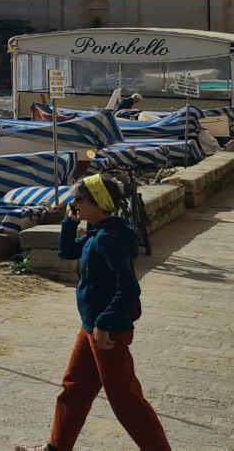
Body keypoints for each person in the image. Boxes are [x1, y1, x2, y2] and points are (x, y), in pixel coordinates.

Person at [20, 174, 169, 451]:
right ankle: (56, 447)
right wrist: (69, 222)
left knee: (125, 399)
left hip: (106, 331)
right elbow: (67, 252)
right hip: (91, 325)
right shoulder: (97, 232)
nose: (73, 202)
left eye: (78, 199)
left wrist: (104, 322)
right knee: (73, 388)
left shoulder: (108, 238)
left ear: (98, 203)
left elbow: (129, 288)